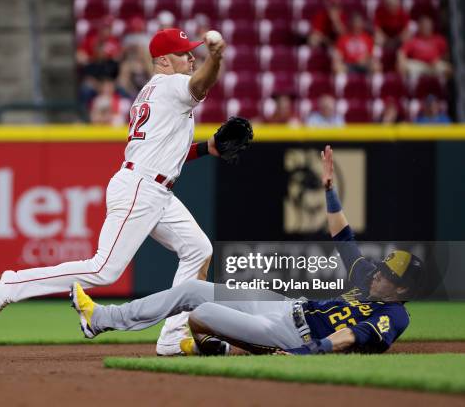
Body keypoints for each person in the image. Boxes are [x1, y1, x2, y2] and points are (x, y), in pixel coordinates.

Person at [0, 28, 228, 356]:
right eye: (185, 54)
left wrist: (207, 148)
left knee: (198, 249)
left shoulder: (150, 92)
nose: (191, 57)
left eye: (193, 52)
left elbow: (165, 151)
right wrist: (217, 57)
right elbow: (202, 84)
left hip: (152, 186)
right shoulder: (172, 84)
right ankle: (13, 284)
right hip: (143, 188)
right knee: (103, 269)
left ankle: (172, 336)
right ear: (164, 61)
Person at [71, 145, 422, 356]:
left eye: (389, 274)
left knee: (200, 316)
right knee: (191, 289)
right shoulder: (367, 279)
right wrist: (329, 190)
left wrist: (309, 352)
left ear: (403, 290)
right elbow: (344, 238)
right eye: (382, 267)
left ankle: (219, 349)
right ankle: (100, 320)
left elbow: (352, 336)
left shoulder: (396, 316)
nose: (379, 273)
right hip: (285, 306)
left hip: (291, 335)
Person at [397, 15, 452, 83]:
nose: (426, 27)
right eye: (424, 25)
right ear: (419, 27)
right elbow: (402, 52)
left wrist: (438, 59)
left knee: (448, 68)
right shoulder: (412, 40)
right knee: (406, 66)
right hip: (419, 65)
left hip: (434, 65)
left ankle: (443, 90)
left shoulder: (439, 39)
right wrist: (401, 63)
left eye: (428, 25)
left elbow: (446, 56)